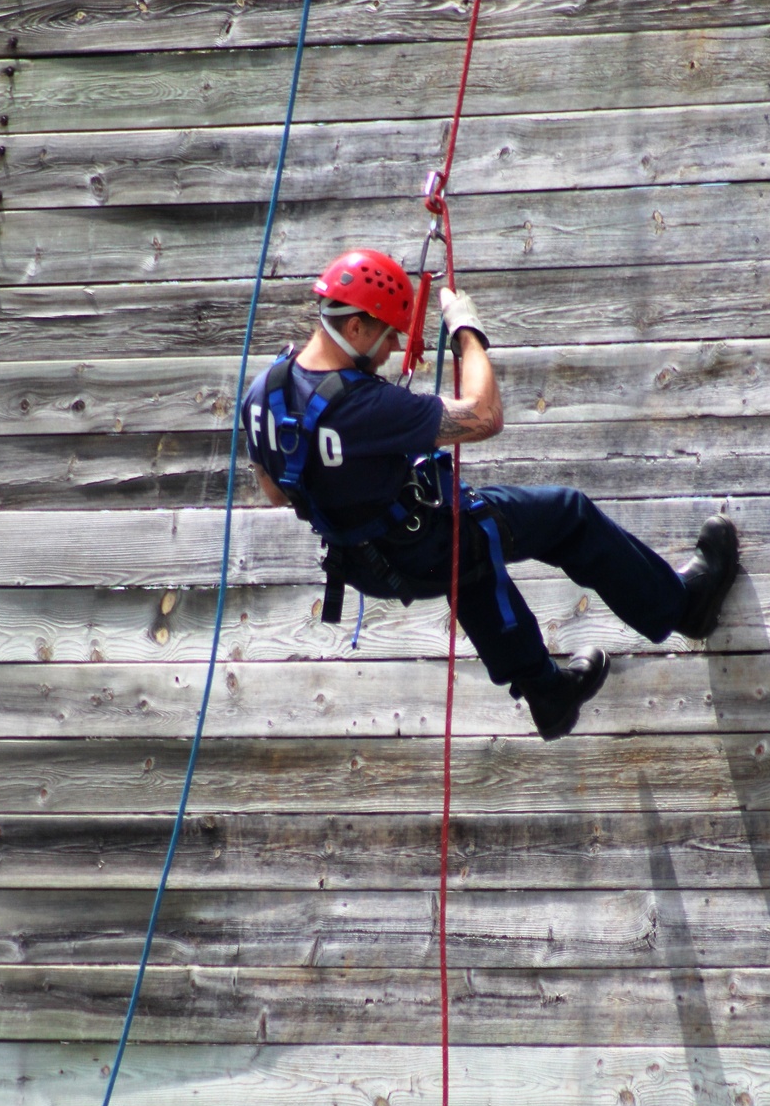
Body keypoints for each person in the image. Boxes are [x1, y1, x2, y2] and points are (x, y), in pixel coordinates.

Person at [242, 248, 739, 740]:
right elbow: (483, 415)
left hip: (359, 563)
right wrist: (468, 333)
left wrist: (352, 484)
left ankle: (547, 694)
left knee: (468, 558)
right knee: (562, 517)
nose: (394, 347)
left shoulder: (264, 392)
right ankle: (684, 607)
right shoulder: (366, 406)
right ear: (355, 328)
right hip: (420, 548)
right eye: (388, 333)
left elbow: (275, 493)